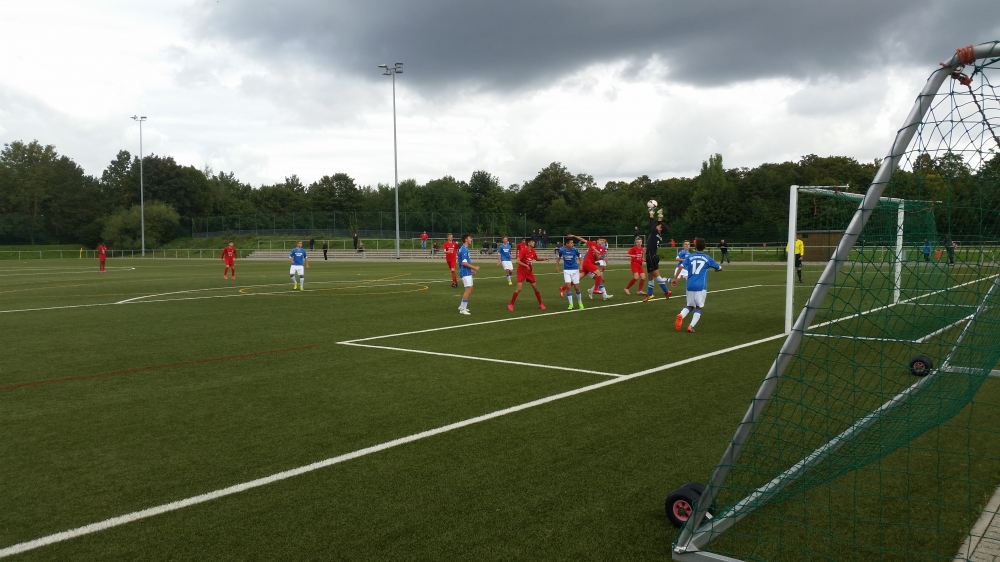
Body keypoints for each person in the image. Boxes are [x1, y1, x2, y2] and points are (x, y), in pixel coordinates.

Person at [673, 238, 723, 332]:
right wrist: (717, 269)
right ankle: (691, 326)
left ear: (695, 246)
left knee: (690, 305)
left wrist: (675, 278)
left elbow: (681, 266)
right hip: (701, 287)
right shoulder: (707, 258)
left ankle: (681, 315)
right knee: (699, 307)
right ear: (705, 247)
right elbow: (720, 268)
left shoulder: (689, 257)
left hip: (689, 285)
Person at [566, 234, 612, 300]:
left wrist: (597, 253)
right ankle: (596, 290)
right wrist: (574, 236)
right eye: (601, 240)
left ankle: (563, 288)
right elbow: (582, 239)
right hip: (587, 263)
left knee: (577, 278)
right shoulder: (592, 244)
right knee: (599, 275)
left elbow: (598, 258)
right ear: (597, 241)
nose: (602, 241)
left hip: (590, 264)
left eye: (603, 240)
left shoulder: (602, 249)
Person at [642, 207, 673, 302]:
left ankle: (666, 291)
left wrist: (651, 212)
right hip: (652, 256)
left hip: (651, 257)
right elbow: (659, 224)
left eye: (658, 226)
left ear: (659, 229)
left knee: (656, 276)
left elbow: (652, 223)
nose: (657, 225)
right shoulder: (659, 234)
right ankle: (650, 294)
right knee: (650, 275)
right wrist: (660, 215)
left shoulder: (655, 232)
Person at [509, 238, 548, 311]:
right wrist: (525, 265)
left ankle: (540, 304)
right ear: (529, 243)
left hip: (529, 272)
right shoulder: (523, 250)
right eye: (532, 242)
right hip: (521, 271)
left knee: (535, 288)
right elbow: (517, 261)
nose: (534, 243)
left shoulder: (533, 250)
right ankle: (511, 304)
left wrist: (544, 259)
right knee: (519, 288)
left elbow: (536, 258)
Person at [557, 238, 584, 310]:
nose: (573, 244)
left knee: (577, 288)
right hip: (566, 270)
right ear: (567, 244)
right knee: (568, 287)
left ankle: (580, 302)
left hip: (575, 270)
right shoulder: (562, 250)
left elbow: (580, 256)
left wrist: (581, 265)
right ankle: (571, 304)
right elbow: (558, 257)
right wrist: (557, 266)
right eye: (571, 243)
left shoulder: (574, 249)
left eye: (573, 243)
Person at [457, 234, 479, 315]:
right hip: (465, 272)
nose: (471, 239)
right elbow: (464, 263)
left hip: (467, 271)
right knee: (468, 290)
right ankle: (463, 309)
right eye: (470, 238)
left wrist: (471, 270)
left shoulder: (464, 249)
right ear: (466, 240)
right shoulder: (464, 250)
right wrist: (474, 267)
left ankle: (461, 306)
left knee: (470, 289)